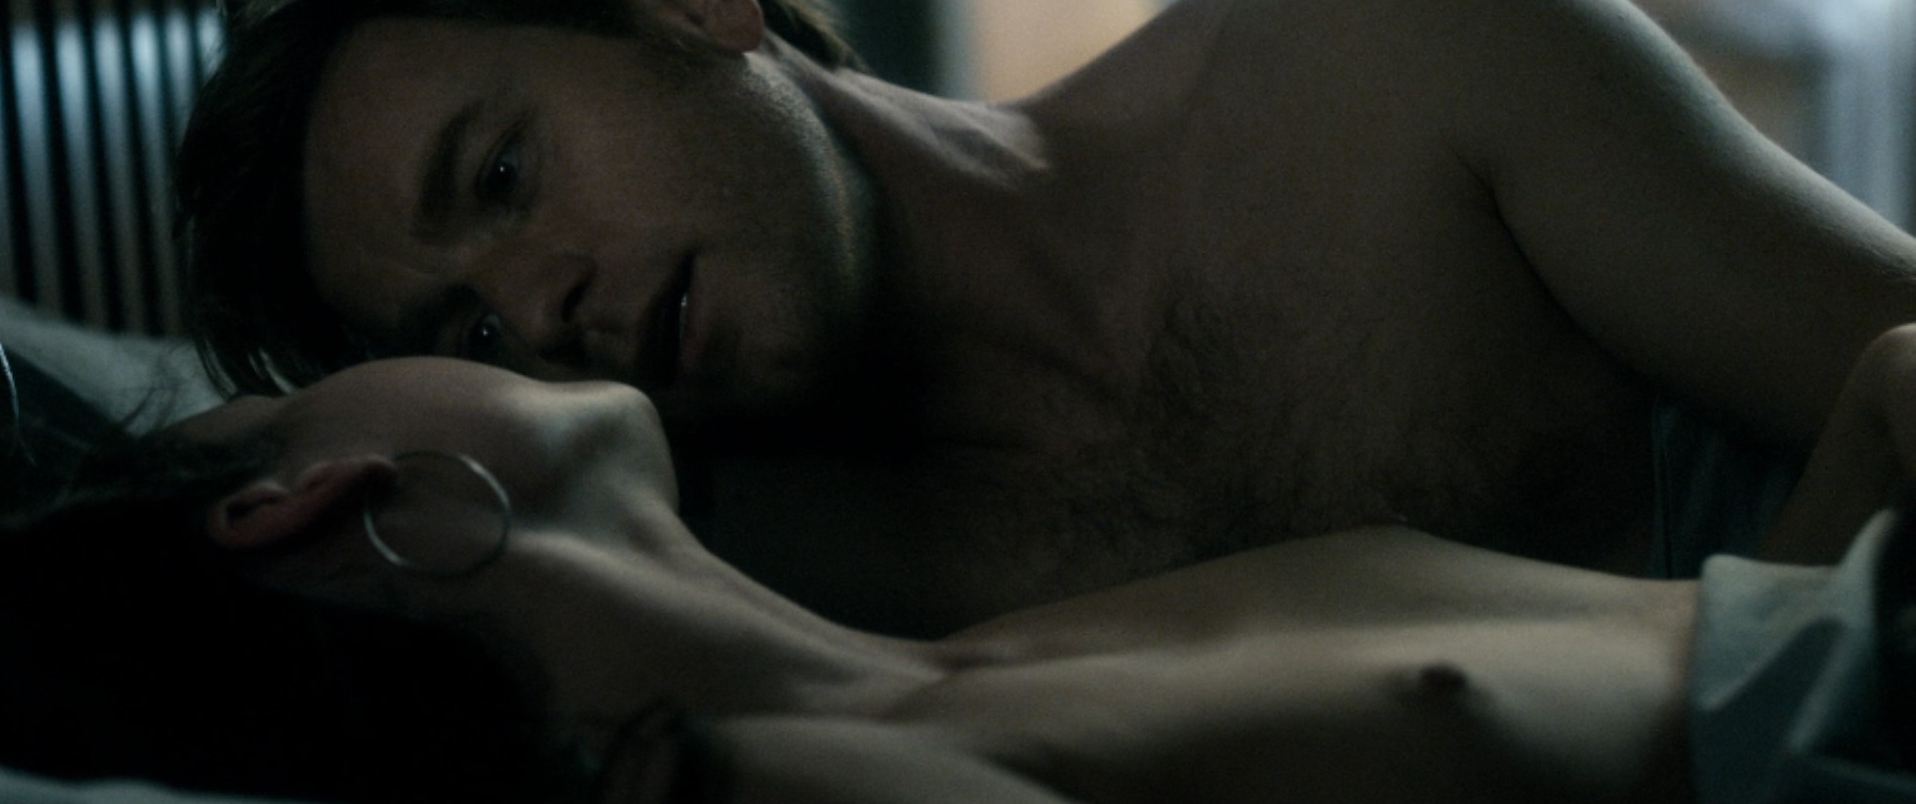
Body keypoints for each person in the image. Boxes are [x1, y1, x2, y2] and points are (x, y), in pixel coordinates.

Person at [177, 0, 1916, 634]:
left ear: (692, 5)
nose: (539, 309)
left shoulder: (1383, 70)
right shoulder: (749, 618)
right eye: (469, 338)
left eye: (500, 176)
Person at [5, 354, 1913, 803]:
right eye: (295, 378)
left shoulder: (978, 661)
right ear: (299, 498)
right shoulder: (798, 783)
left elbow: (1737, 664)